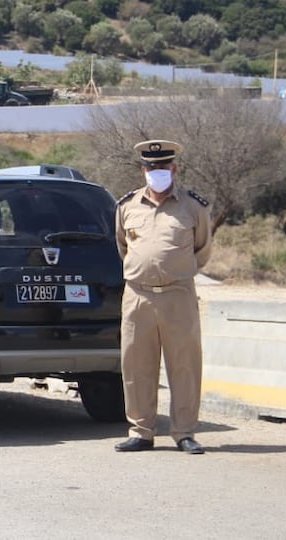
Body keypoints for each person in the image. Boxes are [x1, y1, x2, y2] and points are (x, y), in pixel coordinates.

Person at [114, 140, 213, 455]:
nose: (158, 172)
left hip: (177, 295)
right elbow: (122, 246)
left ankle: (184, 432)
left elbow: (203, 250)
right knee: (136, 365)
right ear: (143, 170)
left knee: (184, 365)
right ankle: (141, 431)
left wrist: (176, 271)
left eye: (163, 166)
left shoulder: (193, 207)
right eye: (152, 167)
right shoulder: (126, 206)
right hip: (138, 296)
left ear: (174, 168)